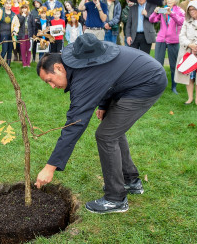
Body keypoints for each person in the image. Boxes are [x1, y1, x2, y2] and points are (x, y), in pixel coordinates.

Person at [35, 34, 167, 214]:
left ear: (58, 67)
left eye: (49, 80)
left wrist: (50, 167)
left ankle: (116, 199)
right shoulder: (81, 62)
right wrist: (104, 105)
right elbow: (106, 75)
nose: (51, 86)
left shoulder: (82, 76)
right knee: (112, 129)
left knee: (106, 135)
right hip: (134, 79)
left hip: (147, 82)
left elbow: (75, 124)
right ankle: (130, 181)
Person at [149, 0, 185, 94]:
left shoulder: (179, 10)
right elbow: (152, 20)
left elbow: (181, 22)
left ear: (176, 0)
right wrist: (155, 12)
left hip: (173, 40)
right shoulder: (162, 9)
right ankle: (157, 87)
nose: (169, 0)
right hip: (161, 39)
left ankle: (174, 87)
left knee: (173, 65)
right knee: (158, 64)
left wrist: (171, 13)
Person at [0, 0, 20, 70]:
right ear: (4, 4)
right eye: (7, 3)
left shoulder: (13, 14)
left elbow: (17, 24)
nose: (8, 5)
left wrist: (15, 31)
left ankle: (8, 67)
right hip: (3, 33)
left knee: (10, 50)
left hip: (11, 34)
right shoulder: (0, 12)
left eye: (10, 4)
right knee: (4, 50)